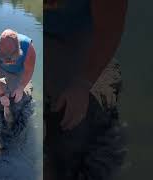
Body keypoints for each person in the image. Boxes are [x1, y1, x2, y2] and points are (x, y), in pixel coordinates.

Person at [44, 0, 128, 179]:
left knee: (80, 130)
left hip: (86, 40)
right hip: (39, 35)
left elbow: (109, 29)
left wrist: (83, 83)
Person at [0, 29, 36, 107]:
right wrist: (1, 94)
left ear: (19, 49)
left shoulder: (28, 47)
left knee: (15, 97)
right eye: (6, 58)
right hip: (1, 68)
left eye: (11, 58)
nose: (9, 62)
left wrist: (21, 87)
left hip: (17, 72)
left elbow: (29, 70)